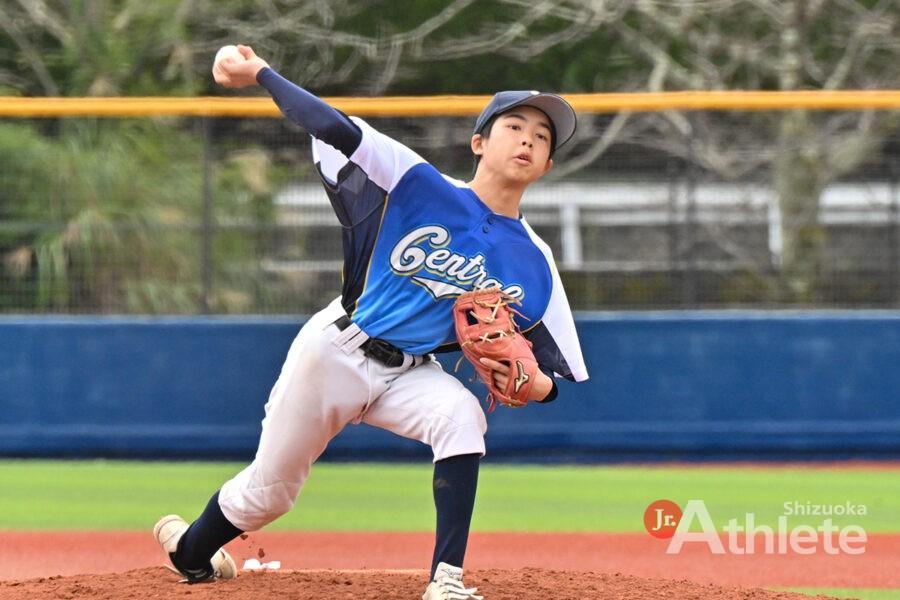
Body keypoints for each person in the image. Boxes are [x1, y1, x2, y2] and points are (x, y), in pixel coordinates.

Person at [153, 44, 589, 600]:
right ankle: (190, 553)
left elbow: (557, 376)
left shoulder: (535, 262)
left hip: (409, 373)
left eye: (543, 136)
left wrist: (529, 381)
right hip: (336, 350)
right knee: (270, 495)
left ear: (548, 165)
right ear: (479, 143)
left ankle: (446, 581)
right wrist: (261, 73)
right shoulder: (417, 182)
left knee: (460, 413)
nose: (529, 138)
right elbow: (334, 126)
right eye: (515, 125)